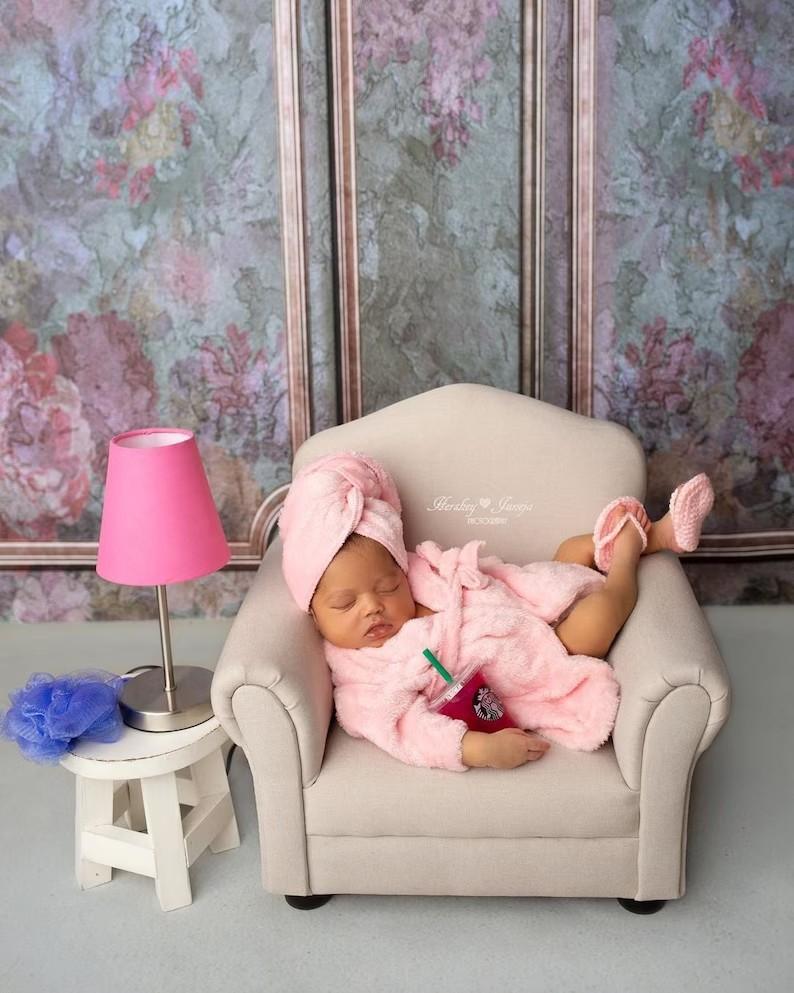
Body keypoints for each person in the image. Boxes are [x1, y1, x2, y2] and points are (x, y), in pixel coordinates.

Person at [277, 450, 714, 774]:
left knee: (571, 552)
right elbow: (408, 732)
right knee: (596, 621)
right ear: (314, 613)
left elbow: (477, 577)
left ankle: (654, 537)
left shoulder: (421, 572)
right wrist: (477, 750)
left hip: (519, 601)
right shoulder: (361, 680)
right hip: (539, 657)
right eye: (345, 603)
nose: (373, 606)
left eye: (388, 587)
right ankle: (629, 552)